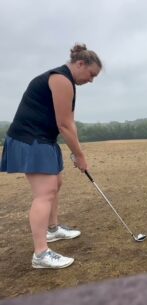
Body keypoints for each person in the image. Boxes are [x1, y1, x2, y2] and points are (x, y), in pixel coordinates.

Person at [0, 43, 102, 269]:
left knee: (56, 182)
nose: (91, 80)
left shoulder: (68, 83)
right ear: (80, 64)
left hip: (44, 139)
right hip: (30, 139)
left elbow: (70, 122)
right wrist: (80, 155)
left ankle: (53, 229)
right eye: (91, 74)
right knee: (44, 193)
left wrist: (78, 152)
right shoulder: (60, 80)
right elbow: (63, 124)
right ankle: (41, 254)